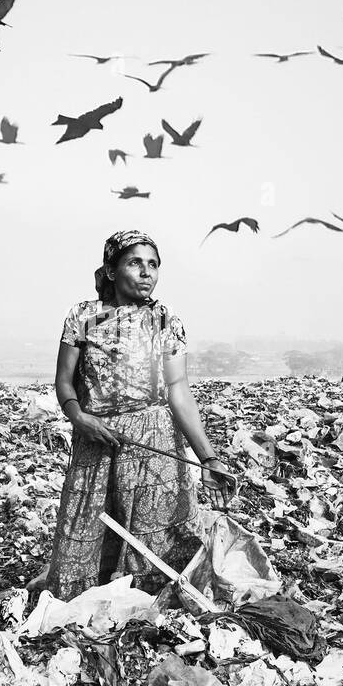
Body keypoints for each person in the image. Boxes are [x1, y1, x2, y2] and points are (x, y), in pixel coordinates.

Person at [42, 228, 235, 601]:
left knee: (156, 544)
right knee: (87, 537)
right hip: (95, 441)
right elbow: (64, 382)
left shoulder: (164, 319)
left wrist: (208, 457)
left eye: (154, 265)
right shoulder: (83, 317)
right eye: (135, 263)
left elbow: (178, 390)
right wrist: (79, 418)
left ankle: (150, 609)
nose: (147, 272)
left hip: (153, 441)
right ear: (112, 271)